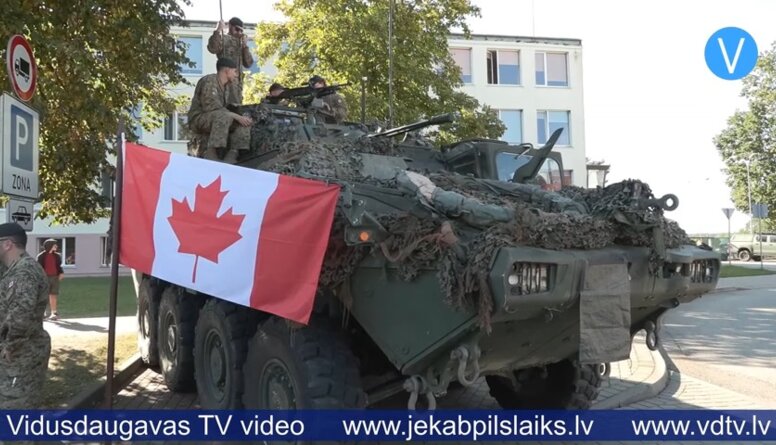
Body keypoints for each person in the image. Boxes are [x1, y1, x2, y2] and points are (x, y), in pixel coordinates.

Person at [0, 223, 51, 409]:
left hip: (20, 355)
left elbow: (20, 315)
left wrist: (9, 346)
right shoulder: (12, 269)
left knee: (15, 411)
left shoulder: (25, 272)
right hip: (19, 353)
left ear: (7, 244)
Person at [188, 57, 253, 164]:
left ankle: (233, 153)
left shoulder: (227, 87)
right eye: (235, 71)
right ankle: (211, 152)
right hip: (199, 118)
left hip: (215, 117)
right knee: (224, 116)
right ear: (226, 71)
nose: (236, 75)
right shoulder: (209, 81)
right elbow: (211, 106)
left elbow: (232, 106)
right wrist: (235, 116)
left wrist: (241, 117)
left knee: (245, 121)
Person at [207, 17, 254, 102]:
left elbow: (248, 63)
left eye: (241, 31)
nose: (239, 32)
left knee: (236, 109)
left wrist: (245, 47)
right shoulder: (223, 38)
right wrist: (218, 30)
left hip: (237, 87)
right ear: (230, 26)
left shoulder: (241, 44)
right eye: (236, 29)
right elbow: (212, 48)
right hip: (224, 83)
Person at [36, 239, 63, 320]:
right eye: (54, 245)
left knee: (53, 295)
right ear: (50, 246)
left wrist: (61, 273)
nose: (56, 246)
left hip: (54, 277)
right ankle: (43, 313)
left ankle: (53, 313)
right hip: (45, 278)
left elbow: (58, 266)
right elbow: (38, 268)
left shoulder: (57, 256)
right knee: (44, 296)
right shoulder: (41, 256)